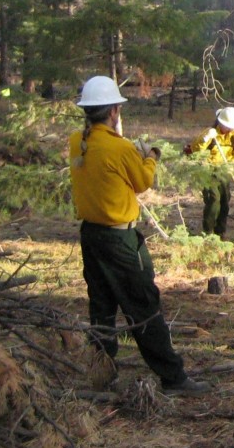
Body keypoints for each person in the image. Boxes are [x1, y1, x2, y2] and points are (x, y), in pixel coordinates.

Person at [68, 75, 210, 396]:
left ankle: (103, 376)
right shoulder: (119, 148)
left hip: (91, 236)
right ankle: (173, 378)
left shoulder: (78, 141)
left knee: (101, 306)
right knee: (144, 306)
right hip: (120, 241)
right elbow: (143, 182)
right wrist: (150, 157)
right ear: (114, 111)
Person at [184, 106, 234, 237]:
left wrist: (233, 166)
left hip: (224, 171)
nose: (230, 129)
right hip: (208, 171)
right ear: (220, 122)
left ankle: (220, 232)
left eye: (231, 127)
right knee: (213, 200)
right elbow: (195, 149)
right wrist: (205, 139)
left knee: (224, 202)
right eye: (228, 126)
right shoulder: (210, 133)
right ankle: (208, 232)